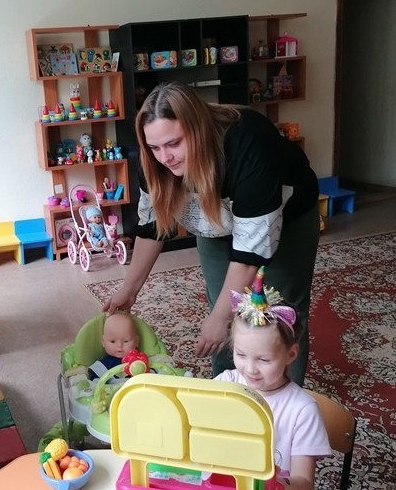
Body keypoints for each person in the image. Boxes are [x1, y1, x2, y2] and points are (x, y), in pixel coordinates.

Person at [103, 81, 319, 385]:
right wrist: (129, 289)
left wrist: (220, 318)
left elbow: (249, 254)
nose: (165, 157)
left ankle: (283, 400)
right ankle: (224, 391)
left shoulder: (250, 141)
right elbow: (153, 228)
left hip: (285, 217)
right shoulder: (156, 161)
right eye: (154, 148)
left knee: (280, 315)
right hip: (215, 220)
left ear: (198, 129)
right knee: (222, 307)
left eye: (174, 143)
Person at [217, 267, 331, 490]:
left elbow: (303, 488)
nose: (250, 368)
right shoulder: (225, 385)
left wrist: (270, 483)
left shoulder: (302, 411)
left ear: (291, 354)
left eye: (264, 360)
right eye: (240, 354)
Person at [88, 311, 139, 380]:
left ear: (136, 342)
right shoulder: (106, 363)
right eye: (113, 341)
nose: (119, 346)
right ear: (103, 342)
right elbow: (92, 377)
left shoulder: (139, 360)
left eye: (126, 341)